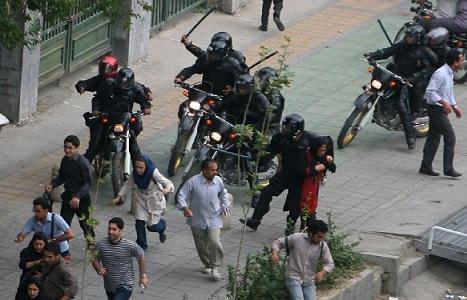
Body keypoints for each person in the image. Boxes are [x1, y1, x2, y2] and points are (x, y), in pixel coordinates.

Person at [240, 114, 335, 232]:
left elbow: (326, 143)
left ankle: (297, 229)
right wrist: (256, 158)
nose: (284, 129)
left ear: (297, 130)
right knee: (266, 192)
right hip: (285, 173)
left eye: (288, 128)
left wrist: (327, 159)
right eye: (284, 127)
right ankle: (255, 220)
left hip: (301, 178)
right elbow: (269, 152)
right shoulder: (280, 138)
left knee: (295, 206)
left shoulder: (310, 139)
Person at [366, 25, 438, 150]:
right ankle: (381, 109)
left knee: (401, 104)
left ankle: (410, 138)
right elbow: (389, 50)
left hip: (408, 80)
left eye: (411, 37)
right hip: (396, 74)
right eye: (407, 36)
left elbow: (427, 70)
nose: (408, 39)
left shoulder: (423, 52)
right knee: (376, 85)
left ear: (418, 39)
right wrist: (374, 55)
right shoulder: (403, 45)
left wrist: (413, 78)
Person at [177, 159, 231, 281]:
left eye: (216, 169)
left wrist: (225, 205)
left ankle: (215, 267)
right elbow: (181, 195)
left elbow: (223, 194)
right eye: (212, 170)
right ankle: (207, 264)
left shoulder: (218, 181)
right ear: (204, 170)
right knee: (201, 245)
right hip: (197, 218)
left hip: (214, 218)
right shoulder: (193, 181)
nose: (215, 172)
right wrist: (185, 208)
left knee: (214, 241)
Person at [84, 68, 152, 163]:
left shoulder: (136, 89)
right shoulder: (108, 85)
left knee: (136, 127)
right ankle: (84, 165)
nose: (122, 88)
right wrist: (95, 110)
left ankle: (138, 164)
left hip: (125, 118)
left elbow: (144, 101)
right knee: (94, 145)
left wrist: (146, 107)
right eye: (120, 84)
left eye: (125, 85)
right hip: (107, 116)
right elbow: (97, 98)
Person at [113, 155, 174, 249]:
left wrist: (167, 188)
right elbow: (128, 184)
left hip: (154, 200)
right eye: (136, 167)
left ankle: (162, 226)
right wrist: (119, 196)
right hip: (141, 199)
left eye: (141, 167)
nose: (138, 170)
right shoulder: (135, 174)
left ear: (146, 166)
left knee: (152, 227)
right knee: (139, 222)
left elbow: (168, 183)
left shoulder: (153, 172)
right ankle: (142, 244)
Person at [420, 49, 463, 177]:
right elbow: (430, 91)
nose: (463, 62)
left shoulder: (449, 73)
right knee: (450, 137)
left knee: (433, 138)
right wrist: (444, 103)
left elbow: (448, 92)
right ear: (455, 62)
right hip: (436, 110)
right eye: (461, 60)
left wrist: (454, 106)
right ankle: (448, 169)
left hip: (441, 110)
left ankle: (425, 166)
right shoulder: (441, 74)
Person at [45, 135, 95, 246]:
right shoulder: (65, 161)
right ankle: (64, 249)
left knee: (85, 224)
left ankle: (91, 245)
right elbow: (62, 177)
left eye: (70, 148)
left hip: (81, 200)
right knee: (63, 224)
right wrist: (52, 184)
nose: (67, 150)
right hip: (68, 197)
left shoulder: (83, 162)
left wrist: (77, 196)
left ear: (76, 148)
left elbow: (88, 183)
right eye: (65, 147)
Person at [271, 219, 334, 300]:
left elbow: (329, 263)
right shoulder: (297, 238)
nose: (321, 239)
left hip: (309, 280)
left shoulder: (322, 245)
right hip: (293, 276)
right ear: (311, 234)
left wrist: (322, 272)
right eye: (319, 236)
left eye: (323, 237)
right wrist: (275, 253)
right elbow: (277, 242)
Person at [92, 217, 149, 300]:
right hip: (109, 286)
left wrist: (143, 276)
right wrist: (99, 269)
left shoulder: (130, 245)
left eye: (114, 229)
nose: (110, 232)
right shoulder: (101, 245)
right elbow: (94, 258)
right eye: (109, 228)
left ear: (121, 231)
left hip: (125, 285)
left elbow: (141, 256)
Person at [174, 40, 243, 96]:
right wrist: (181, 77)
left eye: (213, 55)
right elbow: (192, 69)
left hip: (222, 95)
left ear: (221, 55)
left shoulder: (232, 65)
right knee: (184, 107)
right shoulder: (206, 60)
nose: (210, 56)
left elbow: (242, 80)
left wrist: (233, 88)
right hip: (205, 90)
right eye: (209, 53)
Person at [294, 136, 334, 231]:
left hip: (313, 187)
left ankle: (307, 228)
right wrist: (315, 168)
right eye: (321, 150)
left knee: (311, 208)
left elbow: (332, 169)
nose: (323, 152)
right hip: (302, 187)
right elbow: (301, 170)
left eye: (324, 150)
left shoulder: (323, 156)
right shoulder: (306, 155)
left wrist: (330, 162)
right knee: (298, 209)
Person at [180, 32, 248, 72]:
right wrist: (188, 45)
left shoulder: (237, 57)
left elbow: (243, 75)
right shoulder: (212, 55)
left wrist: (234, 88)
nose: (211, 56)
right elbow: (202, 54)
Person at [15, 233, 47, 300]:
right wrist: (37, 262)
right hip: (26, 280)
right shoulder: (26, 252)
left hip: (41, 284)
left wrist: (43, 275)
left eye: (41, 244)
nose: (38, 247)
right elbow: (22, 265)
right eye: (36, 244)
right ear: (32, 243)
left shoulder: (48, 253)